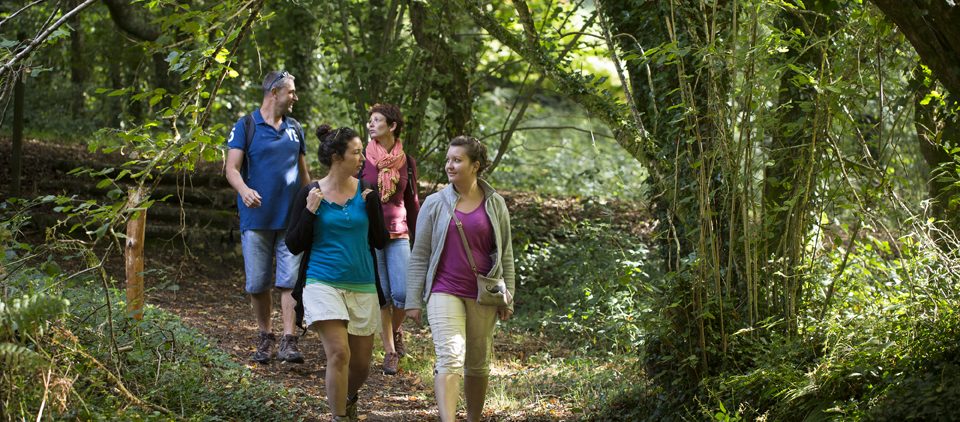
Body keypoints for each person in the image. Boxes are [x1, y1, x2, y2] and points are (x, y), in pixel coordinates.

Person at [406, 136, 516, 422]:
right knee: (450, 356)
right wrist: (413, 300)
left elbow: (505, 255)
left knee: (478, 364)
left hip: (483, 293)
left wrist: (508, 297)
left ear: (475, 165)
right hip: (444, 289)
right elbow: (419, 255)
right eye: (448, 160)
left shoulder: (495, 204)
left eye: (457, 160)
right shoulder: (434, 204)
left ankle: (473, 419)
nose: (450, 165)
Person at [285, 125, 388, 422]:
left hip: (363, 285)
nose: (362, 158)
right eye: (356, 152)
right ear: (336, 157)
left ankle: (349, 397)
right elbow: (293, 244)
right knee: (339, 354)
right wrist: (309, 211)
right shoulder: (310, 192)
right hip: (322, 282)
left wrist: (373, 208)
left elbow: (380, 241)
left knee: (361, 365)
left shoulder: (368, 191)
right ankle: (338, 417)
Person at [225, 70, 310, 364]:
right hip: (256, 220)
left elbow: (304, 174)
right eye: (291, 92)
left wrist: (311, 207)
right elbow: (232, 168)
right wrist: (245, 190)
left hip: (290, 220)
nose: (295, 97)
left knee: (288, 282)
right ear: (274, 93)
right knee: (258, 284)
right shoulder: (246, 125)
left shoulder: (295, 129)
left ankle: (289, 339)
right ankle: (265, 336)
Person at [359, 103, 420, 375]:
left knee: (403, 294)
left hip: (399, 231)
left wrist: (420, 240)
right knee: (382, 296)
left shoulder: (407, 162)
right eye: (370, 120)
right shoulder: (361, 159)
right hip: (370, 234)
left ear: (392, 126)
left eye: (377, 120)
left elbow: (413, 201)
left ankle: (395, 329)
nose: (371, 124)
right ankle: (390, 352)